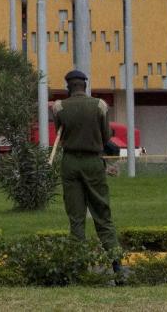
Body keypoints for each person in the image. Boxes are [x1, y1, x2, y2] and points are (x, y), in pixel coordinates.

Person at [52, 69, 120, 272]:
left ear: (68, 87)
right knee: (102, 214)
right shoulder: (99, 105)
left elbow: (60, 133)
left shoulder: (59, 107)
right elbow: (106, 136)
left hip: (70, 162)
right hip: (93, 163)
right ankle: (117, 266)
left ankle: (79, 268)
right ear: (85, 86)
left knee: (76, 218)